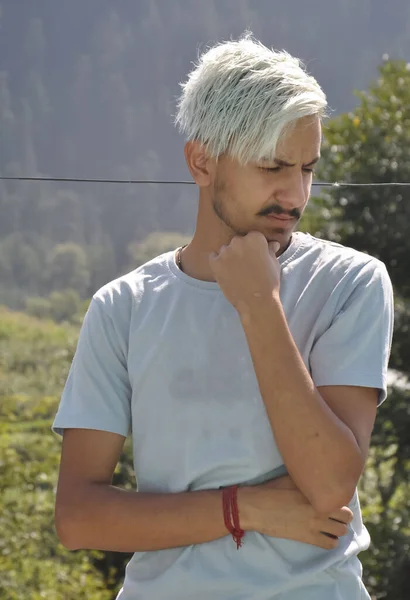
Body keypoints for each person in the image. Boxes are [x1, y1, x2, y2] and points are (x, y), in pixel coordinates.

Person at [52, 33, 394, 599]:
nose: (295, 193)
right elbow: (80, 517)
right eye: (273, 166)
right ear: (202, 160)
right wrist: (246, 509)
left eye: (307, 168)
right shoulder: (124, 306)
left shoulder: (350, 283)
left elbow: (330, 482)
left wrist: (260, 304)